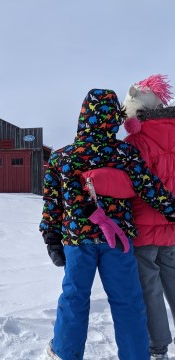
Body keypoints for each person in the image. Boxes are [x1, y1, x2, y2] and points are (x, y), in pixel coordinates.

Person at [39, 88, 175, 360]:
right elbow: (150, 188)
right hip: (119, 240)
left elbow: (52, 204)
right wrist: (171, 210)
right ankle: (136, 355)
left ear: (83, 116)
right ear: (115, 117)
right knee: (128, 302)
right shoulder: (124, 153)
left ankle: (66, 352)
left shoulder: (63, 157)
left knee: (74, 298)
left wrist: (51, 238)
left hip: (78, 240)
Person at [80, 75, 175, 360]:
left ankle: (157, 347)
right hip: (172, 228)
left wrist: (91, 182)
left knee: (150, 289)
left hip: (144, 228)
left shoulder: (136, 143)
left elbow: (129, 184)